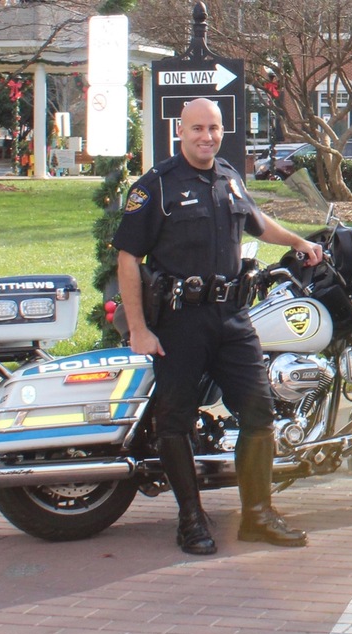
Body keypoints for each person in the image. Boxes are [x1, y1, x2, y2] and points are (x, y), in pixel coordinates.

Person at [113, 97, 323, 555]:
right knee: (175, 421)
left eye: (214, 128)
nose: (207, 137)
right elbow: (128, 258)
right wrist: (139, 329)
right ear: (180, 132)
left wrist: (299, 241)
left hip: (232, 318)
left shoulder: (228, 176)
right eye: (197, 129)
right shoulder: (156, 187)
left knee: (259, 412)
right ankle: (191, 519)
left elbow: (257, 223)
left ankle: (258, 516)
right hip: (179, 322)